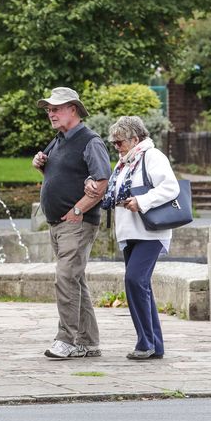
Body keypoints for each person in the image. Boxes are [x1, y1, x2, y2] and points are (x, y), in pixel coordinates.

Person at [85, 116, 180, 360]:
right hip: (130, 233)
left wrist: (141, 201)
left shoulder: (152, 156)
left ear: (135, 139)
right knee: (140, 285)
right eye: (114, 143)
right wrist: (92, 186)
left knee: (135, 281)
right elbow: (114, 192)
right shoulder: (124, 163)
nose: (116, 147)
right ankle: (155, 346)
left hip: (151, 231)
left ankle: (145, 343)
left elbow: (171, 188)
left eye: (120, 142)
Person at [32, 87, 111, 359]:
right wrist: (41, 164)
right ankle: (88, 342)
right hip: (60, 223)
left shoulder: (91, 141)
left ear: (73, 109)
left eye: (56, 108)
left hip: (77, 223)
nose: (50, 113)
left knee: (65, 279)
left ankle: (66, 339)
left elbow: (101, 182)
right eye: (49, 109)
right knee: (75, 280)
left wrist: (78, 209)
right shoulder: (58, 139)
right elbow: (63, 173)